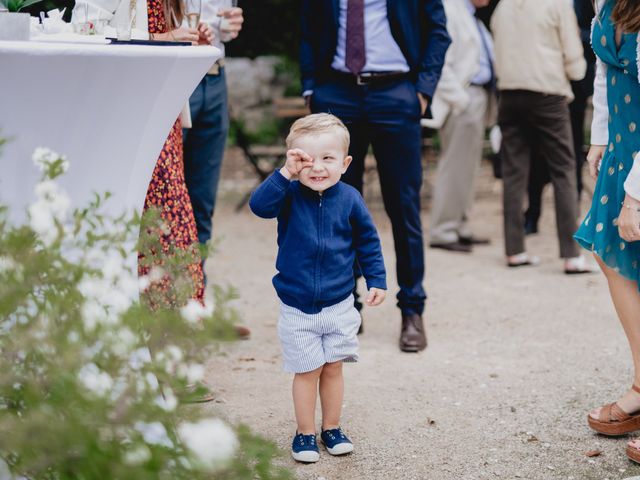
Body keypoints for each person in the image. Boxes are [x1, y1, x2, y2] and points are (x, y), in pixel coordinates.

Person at [300, 0, 450, 352]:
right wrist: (311, 88)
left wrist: (423, 90)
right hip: (336, 91)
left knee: (404, 206)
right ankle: (344, 305)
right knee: (335, 208)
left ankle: (412, 310)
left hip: (395, 93)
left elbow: (438, 33)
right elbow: (307, 31)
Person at [249, 114, 386, 463]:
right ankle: (305, 433)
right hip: (297, 305)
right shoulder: (290, 193)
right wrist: (284, 173)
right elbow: (259, 207)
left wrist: (377, 280)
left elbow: (368, 242)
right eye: (307, 159)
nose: (318, 168)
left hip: (339, 303)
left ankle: (333, 427)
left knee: (334, 367)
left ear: (346, 163)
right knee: (307, 370)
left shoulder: (350, 199)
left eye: (328, 158)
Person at [574, 0, 640, 465]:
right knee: (612, 257)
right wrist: (600, 135)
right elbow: (604, 70)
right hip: (623, 147)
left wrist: (637, 196)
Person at [491, 0, 593, 273]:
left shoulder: (504, 7)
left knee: (514, 174)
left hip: (509, 93)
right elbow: (574, 58)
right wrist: (576, 73)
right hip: (548, 93)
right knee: (564, 169)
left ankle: (514, 251)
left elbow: (495, 49)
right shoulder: (557, 4)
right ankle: (571, 255)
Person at [424, 0, 494, 253]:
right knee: (454, 166)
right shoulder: (450, 10)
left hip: (478, 97)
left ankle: (460, 225)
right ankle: (443, 230)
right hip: (463, 99)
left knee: (468, 167)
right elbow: (440, 61)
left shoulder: (470, 14)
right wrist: (460, 100)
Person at [523, 0, 597, 235]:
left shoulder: (583, 3)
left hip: (575, 87)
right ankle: (532, 214)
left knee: (572, 152)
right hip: (542, 85)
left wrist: (575, 37)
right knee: (536, 151)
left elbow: (595, 33)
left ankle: (571, 216)